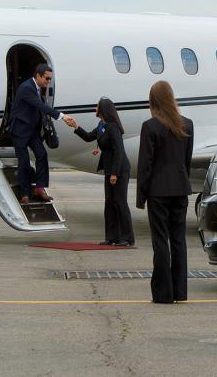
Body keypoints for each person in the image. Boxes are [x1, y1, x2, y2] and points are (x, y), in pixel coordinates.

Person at [136, 81, 194, 304]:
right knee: (178, 239)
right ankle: (180, 291)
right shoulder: (187, 125)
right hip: (180, 188)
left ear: (153, 101)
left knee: (160, 240)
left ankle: (163, 293)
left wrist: (141, 196)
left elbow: (145, 165)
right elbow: (186, 161)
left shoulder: (150, 126)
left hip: (158, 191)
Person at [7, 63, 75, 204]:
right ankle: (24, 193)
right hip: (19, 130)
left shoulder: (38, 88)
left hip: (32, 131)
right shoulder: (27, 88)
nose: (48, 82)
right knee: (24, 161)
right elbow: (40, 106)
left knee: (42, 155)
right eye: (46, 78)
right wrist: (62, 116)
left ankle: (39, 188)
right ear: (38, 75)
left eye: (50, 79)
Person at [72, 97, 134, 246]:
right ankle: (112, 237)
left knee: (120, 203)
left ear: (103, 109)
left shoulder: (113, 127)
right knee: (109, 203)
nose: (95, 108)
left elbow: (119, 151)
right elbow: (88, 137)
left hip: (119, 169)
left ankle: (127, 238)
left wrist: (114, 174)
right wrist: (75, 127)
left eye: (97, 106)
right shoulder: (101, 125)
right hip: (109, 169)